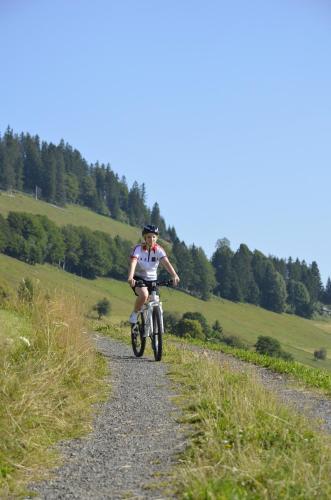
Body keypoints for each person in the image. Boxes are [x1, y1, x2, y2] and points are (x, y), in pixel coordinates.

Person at [128, 224, 180, 323]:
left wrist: (174, 275)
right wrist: (130, 277)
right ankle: (134, 313)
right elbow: (133, 262)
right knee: (144, 295)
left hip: (152, 280)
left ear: (156, 238)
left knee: (155, 299)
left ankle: (155, 325)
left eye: (154, 236)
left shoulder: (159, 250)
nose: (151, 239)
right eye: (148, 237)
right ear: (144, 238)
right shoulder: (138, 249)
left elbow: (166, 263)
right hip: (139, 278)